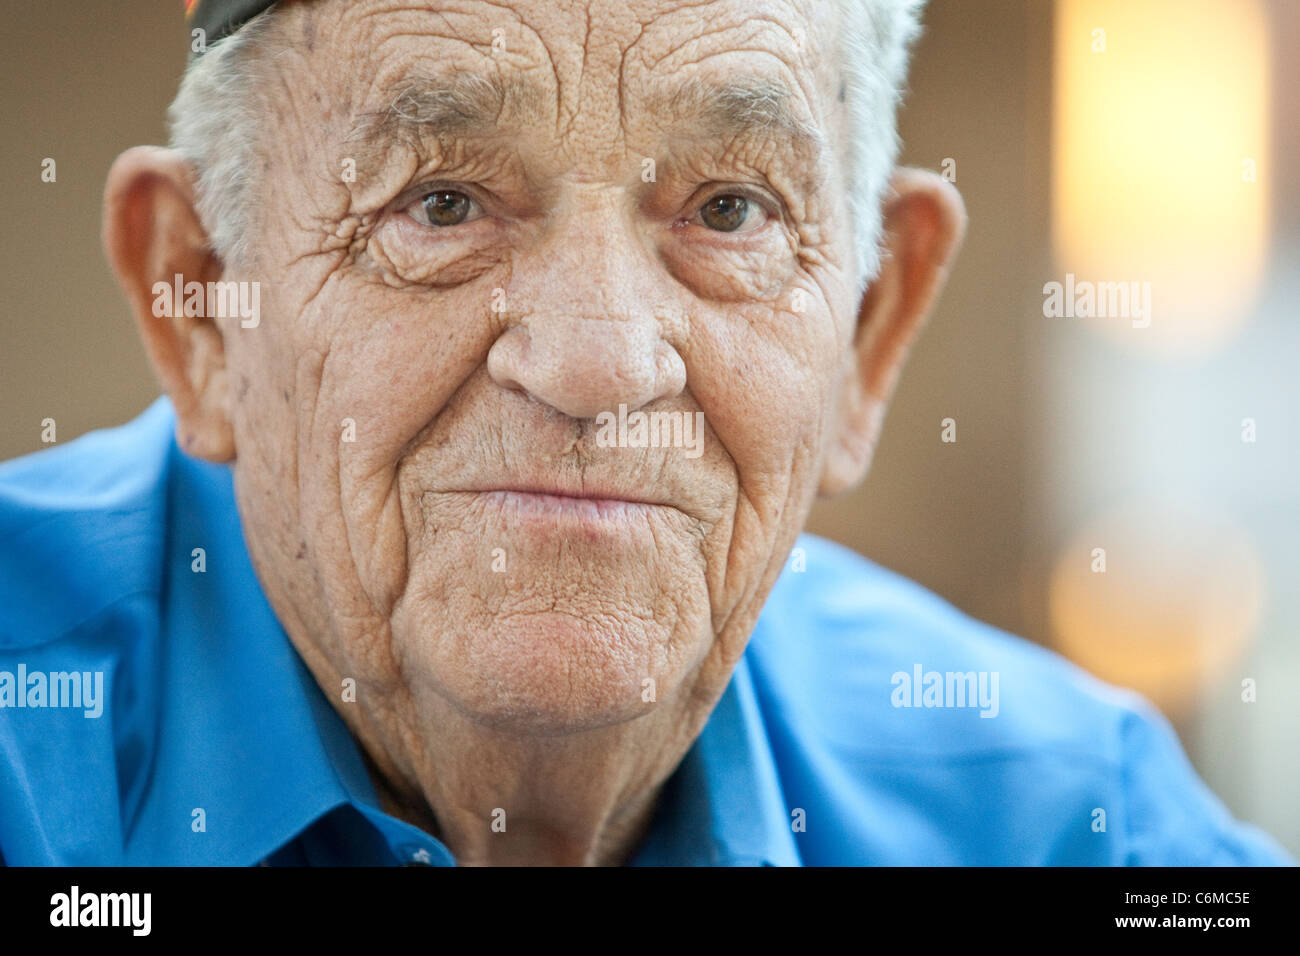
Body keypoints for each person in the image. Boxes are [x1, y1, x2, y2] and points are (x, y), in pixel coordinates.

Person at [0, 0, 1290, 866]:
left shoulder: (1067, 822)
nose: (598, 363)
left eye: (729, 211)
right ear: (202, 304)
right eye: (443, 203)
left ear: (870, 330)